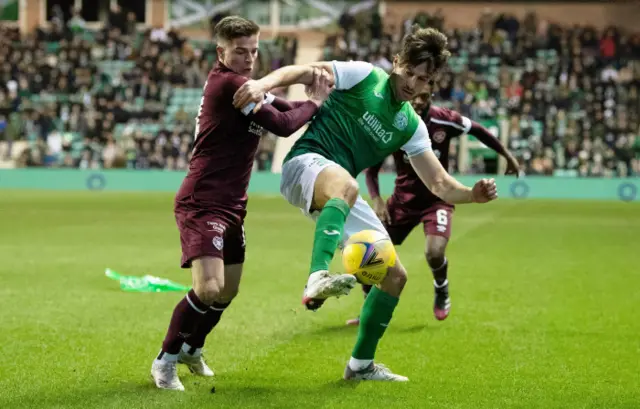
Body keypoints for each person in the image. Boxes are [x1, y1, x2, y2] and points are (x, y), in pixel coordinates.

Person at [232, 25, 498, 382]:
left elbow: (438, 183)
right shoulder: (363, 76)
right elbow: (304, 72)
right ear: (397, 61)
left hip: (339, 190)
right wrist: (263, 85)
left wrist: (471, 194)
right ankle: (316, 276)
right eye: (410, 73)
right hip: (305, 165)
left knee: (395, 276)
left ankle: (360, 365)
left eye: (424, 80)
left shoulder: (411, 126)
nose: (413, 84)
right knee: (346, 183)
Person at [150, 16, 332, 391]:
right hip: (204, 201)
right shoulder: (229, 85)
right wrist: (315, 101)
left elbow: (283, 107)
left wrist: (311, 96)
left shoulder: (250, 86)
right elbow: (283, 124)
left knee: (228, 290)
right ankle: (165, 360)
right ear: (221, 52)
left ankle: (192, 348)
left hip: (233, 204)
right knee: (209, 288)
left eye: (253, 50)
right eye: (239, 51)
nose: (249, 58)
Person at [346, 90, 520, 326]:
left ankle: (441, 287)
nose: (418, 100)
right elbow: (372, 170)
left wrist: (507, 155)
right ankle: (369, 309)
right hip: (402, 201)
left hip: (438, 198)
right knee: (370, 251)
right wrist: (377, 199)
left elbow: (477, 129)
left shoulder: (444, 119)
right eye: (415, 97)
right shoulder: (395, 122)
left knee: (434, 252)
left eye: (424, 96)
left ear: (431, 95)